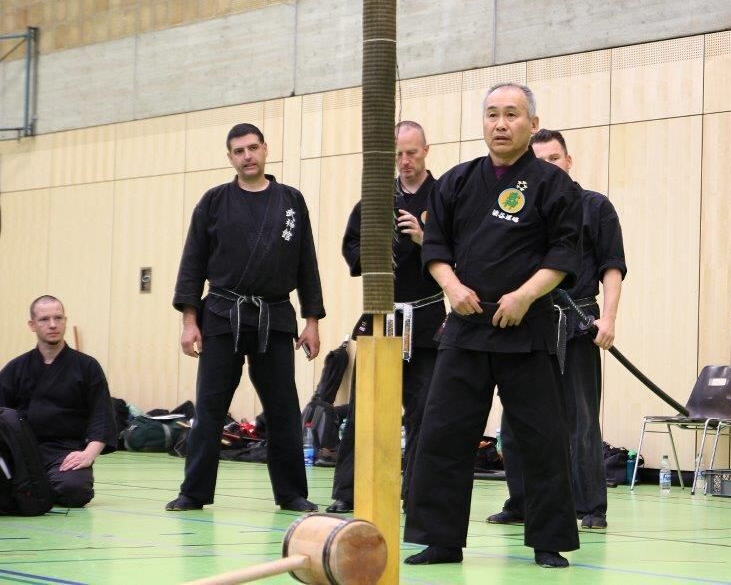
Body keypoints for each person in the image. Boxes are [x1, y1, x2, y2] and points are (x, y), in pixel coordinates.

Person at [403, 83, 582, 568]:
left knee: (541, 438)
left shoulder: (555, 186)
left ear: (532, 123)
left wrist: (525, 295)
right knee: (443, 433)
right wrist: (452, 287)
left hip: (525, 328)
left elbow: (564, 255)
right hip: (464, 326)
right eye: (491, 115)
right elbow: (434, 246)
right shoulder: (457, 182)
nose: (500, 124)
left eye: (511, 115)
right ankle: (439, 539)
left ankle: (548, 541)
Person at [167, 123, 326, 512]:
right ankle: (194, 492)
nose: (247, 156)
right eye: (239, 151)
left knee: (284, 407)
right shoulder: (214, 201)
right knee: (209, 406)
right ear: (230, 157)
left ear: (266, 149)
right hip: (222, 312)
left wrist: (311, 320)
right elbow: (193, 263)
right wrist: (190, 321)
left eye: (253, 148)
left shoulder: (291, 200)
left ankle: (291, 493)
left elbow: (306, 261)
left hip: (275, 313)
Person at [487, 128, 625, 531]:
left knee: (581, 419)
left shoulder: (595, 207)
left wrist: (609, 319)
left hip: (579, 321)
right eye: (540, 160)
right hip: (531, 324)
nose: (548, 165)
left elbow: (611, 267)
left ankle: (590, 507)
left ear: (568, 160)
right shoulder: (526, 207)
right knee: (515, 418)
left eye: (554, 158)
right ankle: (521, 502)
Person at [325, 121, 445, 514]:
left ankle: (417, 494)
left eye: (412, 152)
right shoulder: (375, 199)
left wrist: (423, 239)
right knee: (367, 410)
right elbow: (352, 253)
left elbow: (464, 254)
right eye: (398, 154)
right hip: (382, 319)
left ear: (427, 149)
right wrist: (383, 245)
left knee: (425, 412)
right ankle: (348, 491)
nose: (405, 161)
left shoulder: (446, 197)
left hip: (427, 323)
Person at [0, 296, 117, 508]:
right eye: (44, 319)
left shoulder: (87, 366)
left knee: (74, 491)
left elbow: (102, 416)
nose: (53, 324)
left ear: (65, 320)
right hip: (21, 451)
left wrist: (88, 454)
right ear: (32, 325)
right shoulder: (15, 368)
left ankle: (29, 489)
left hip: (65, 453)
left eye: (58, 318)